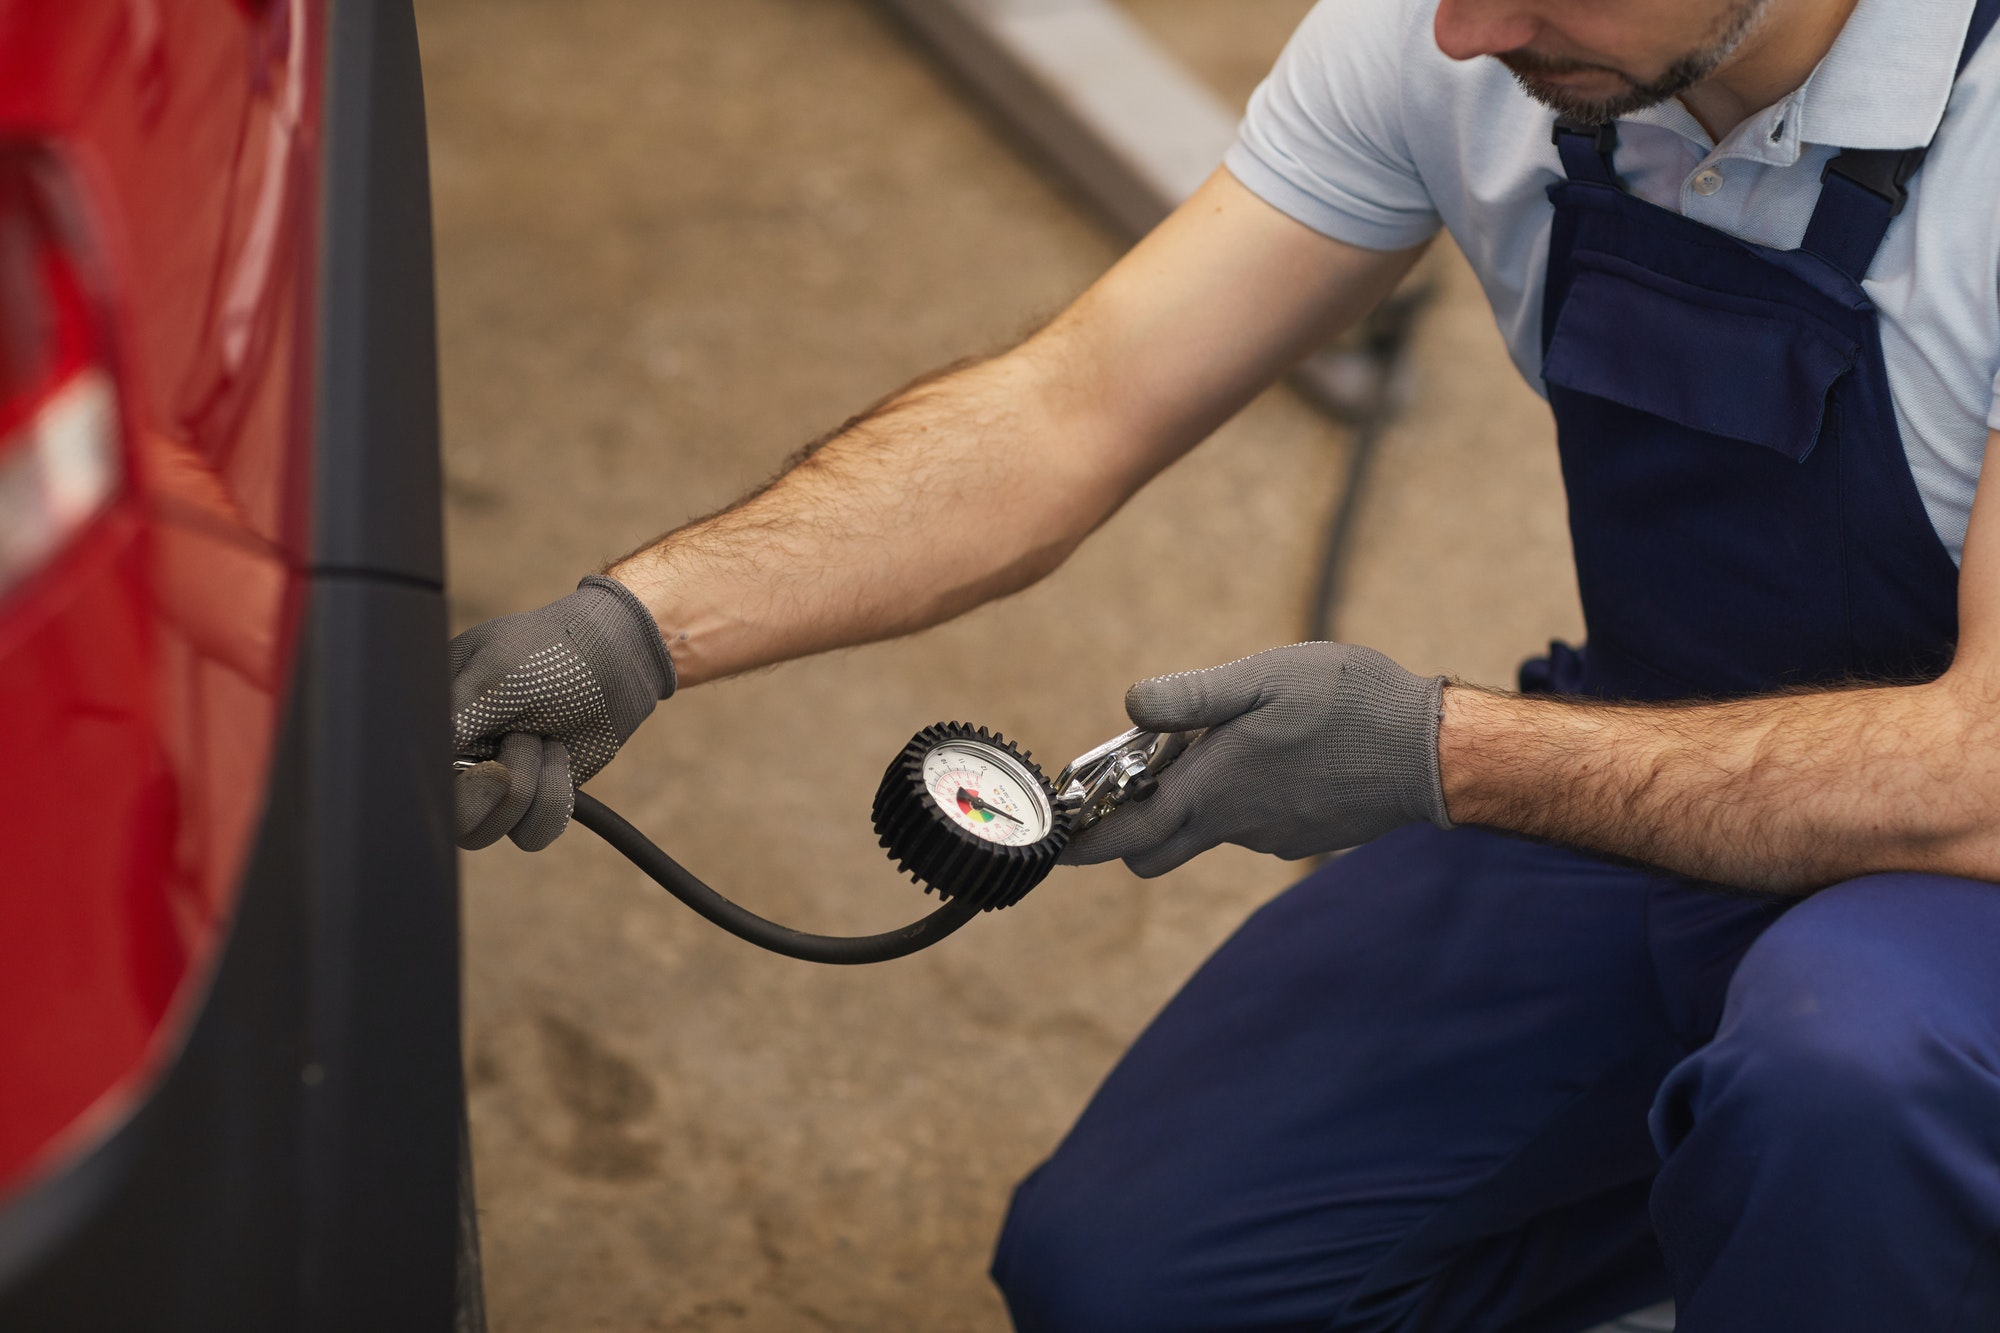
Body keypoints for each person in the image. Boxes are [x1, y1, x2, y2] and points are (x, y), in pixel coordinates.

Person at [448, 0, 2000, 1324]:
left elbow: (1977, 777)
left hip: (1959, 881)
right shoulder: (1471, 40)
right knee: (1136, 1278)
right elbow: (1077, 402)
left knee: (1842, 1081)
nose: (1464, 31)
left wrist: (1436, 753)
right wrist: (637, 629)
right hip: (1659, 776)